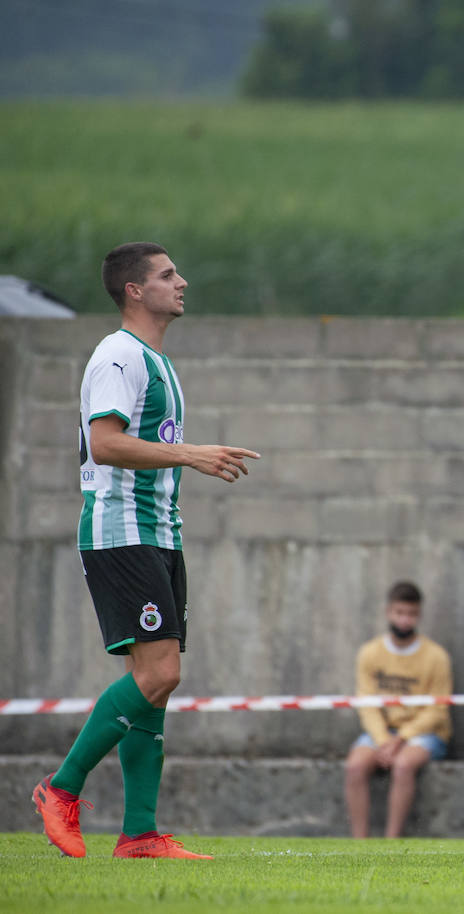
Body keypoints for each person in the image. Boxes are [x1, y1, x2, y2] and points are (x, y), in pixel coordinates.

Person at [32, 242, 259, 860]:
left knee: (152, 685)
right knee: (161, 673)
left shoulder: (155, 359)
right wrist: (193, 454)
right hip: (121, 531)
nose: (181, 282)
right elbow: (104, 443)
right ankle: (61, 787)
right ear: (135, 290)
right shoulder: (117, 356)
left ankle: (138, 834)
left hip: (159, 531)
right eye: (166, 275)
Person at [344, 581, 453, 839]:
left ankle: (391, 842)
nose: (405, 620)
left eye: (411, 614)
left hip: (425, 733)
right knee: (354, 767)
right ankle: (359, 842)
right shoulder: (369, 653)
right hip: (382, 732)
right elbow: (367, 704)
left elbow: (438, 709)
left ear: (419, 615)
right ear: (388, 612)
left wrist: (401, 739)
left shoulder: (436, 656)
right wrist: (384, 741)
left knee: (403, 765)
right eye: (399, 613)